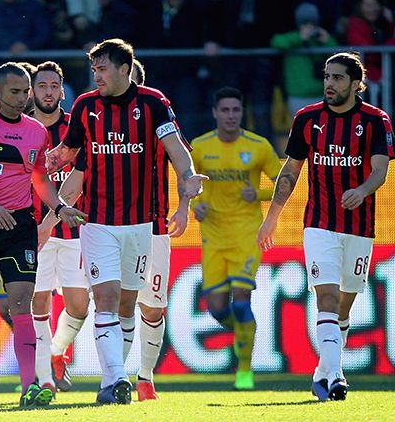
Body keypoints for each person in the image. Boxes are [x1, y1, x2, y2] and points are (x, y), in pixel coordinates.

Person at [46, 38, 206, 405]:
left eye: (102, 69)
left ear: (124, 69)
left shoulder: (153, 103)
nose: (96, 76)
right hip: (97, 220)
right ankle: (115, 378)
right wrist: (34, 164)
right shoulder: (85, 107)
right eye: (93, 69)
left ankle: (131, 378)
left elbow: (176, 150)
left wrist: (189, 178)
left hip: (143, 224)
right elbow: (67, 156)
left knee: (128, 304)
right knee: (105, 297)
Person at [257, 52, 395, 401]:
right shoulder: (307, 119)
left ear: (355, 83)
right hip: (319, 225)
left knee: (344, 308)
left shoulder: (376, 120)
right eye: (326, 77)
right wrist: (271, 218)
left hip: (359, 226)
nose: (329, 84)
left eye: (337, 78)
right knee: (328, 299)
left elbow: (380, 170)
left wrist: (363, 189)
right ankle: (337, 378)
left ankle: (324, 373)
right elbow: (290, 173)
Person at [0, 62, 86, 408]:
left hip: (20, 227)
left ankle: (29, 387)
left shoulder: (37, 132)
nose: (23, 98)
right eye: (16, 92)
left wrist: (59, 207)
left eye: (26, 92)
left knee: (23, 302)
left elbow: (39, 179)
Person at [190, 86, 281, 390]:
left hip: (246, 235)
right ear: (215, 112)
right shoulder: (200, 147)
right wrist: (195, 205)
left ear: (242, 113)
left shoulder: (258, 146)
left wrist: (259, 194)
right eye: (225, 110)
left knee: (241, 303)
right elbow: (187, 184)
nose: (231, 116)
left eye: (236, 110)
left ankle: (245, 367)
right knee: (217, 309)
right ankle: (243, 335)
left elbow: (284, 184)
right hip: (213, 237)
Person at [119, 57, 191, 401]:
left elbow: (181, 160)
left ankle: (145, 377)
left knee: (152, 305)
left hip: (153, 225)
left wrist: (183, 206)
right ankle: (114, 377)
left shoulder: (156, 111)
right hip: (109, 225)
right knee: (114, 302)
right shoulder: (95, 114)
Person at [29, 61, 88, 395]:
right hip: (31, 232)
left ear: (62, 91)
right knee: (38, 304)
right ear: (32, 91)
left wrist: (51, 221)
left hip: (72, 230)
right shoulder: (21, 127)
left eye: (54, 85)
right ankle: (44, 377)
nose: (48, 91)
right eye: (42, 86)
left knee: (79, 306)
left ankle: (54, 352)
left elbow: (82, 177)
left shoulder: (76, 127)